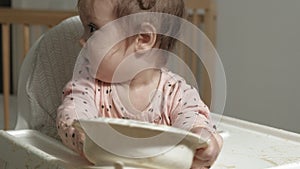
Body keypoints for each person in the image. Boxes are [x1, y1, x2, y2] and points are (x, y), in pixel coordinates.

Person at [56, 0, 223, 168]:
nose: (82, 40)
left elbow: (194, 124)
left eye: (92, 28)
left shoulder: (177, 94)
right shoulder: (88, 84)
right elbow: (73, 113)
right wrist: (82, 135)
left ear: (143, 39)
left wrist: (202, 145)